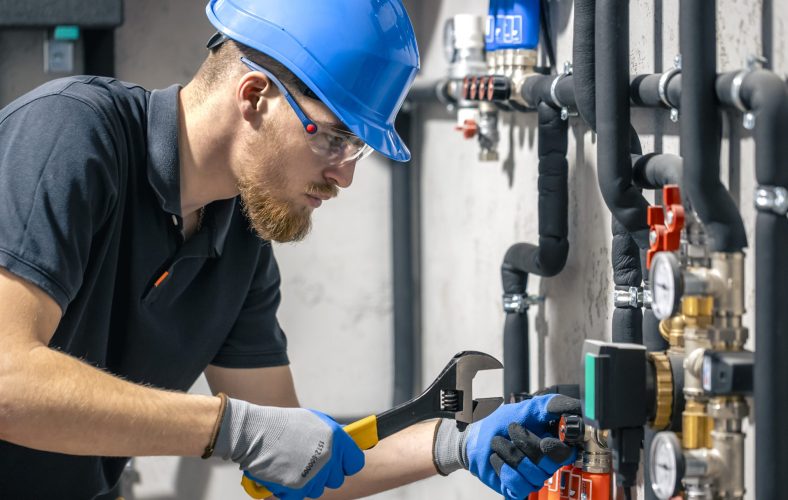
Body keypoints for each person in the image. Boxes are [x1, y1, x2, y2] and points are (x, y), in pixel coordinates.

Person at [0, 1, 579, 499]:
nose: (344, 176)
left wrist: (455, 443)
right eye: (336, 138)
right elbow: (7, 382)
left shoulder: (238, 242)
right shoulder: (71, 133)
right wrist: (233, 428)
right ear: (255, 96)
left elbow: (294, 462)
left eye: (356, 150)